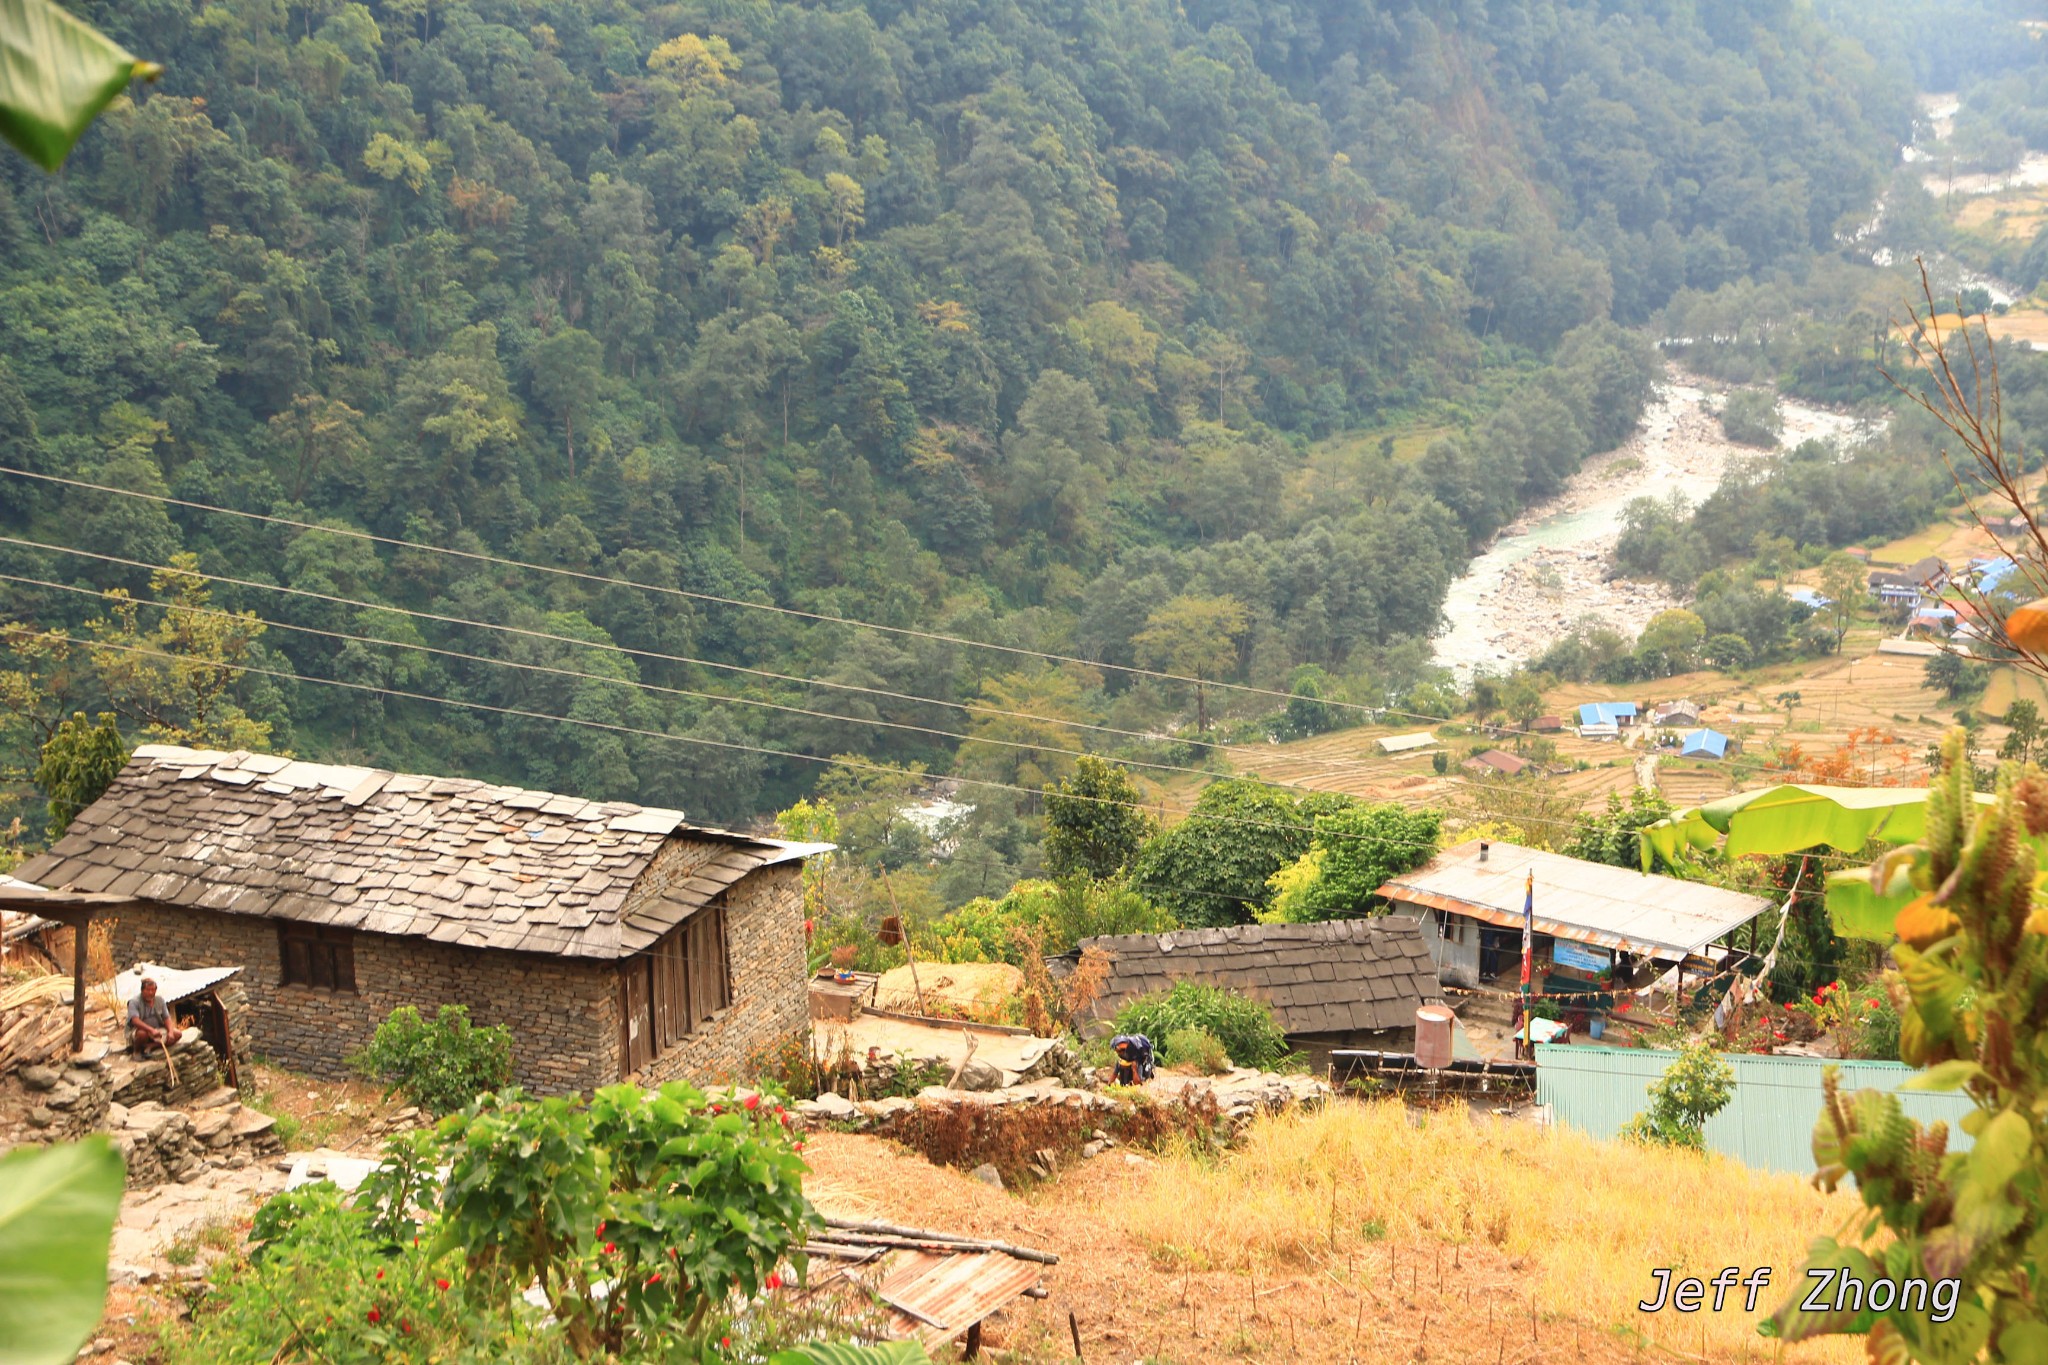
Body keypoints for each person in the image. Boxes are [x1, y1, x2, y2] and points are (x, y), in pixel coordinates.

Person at [127, 977, 185, 1050]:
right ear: (142, 990)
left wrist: (170, 1032)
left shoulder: (159, 1000)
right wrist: (151, 1030)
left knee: (177, 1034)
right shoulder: (134, 1002)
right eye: (148, 990)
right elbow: (135, 1021)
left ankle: (152, 1046)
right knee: (142, 1034)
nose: (151, 992)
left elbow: (166, 1018)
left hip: (158, 1029)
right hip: (140, 1030)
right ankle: (137, 1051)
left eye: (153, 990)